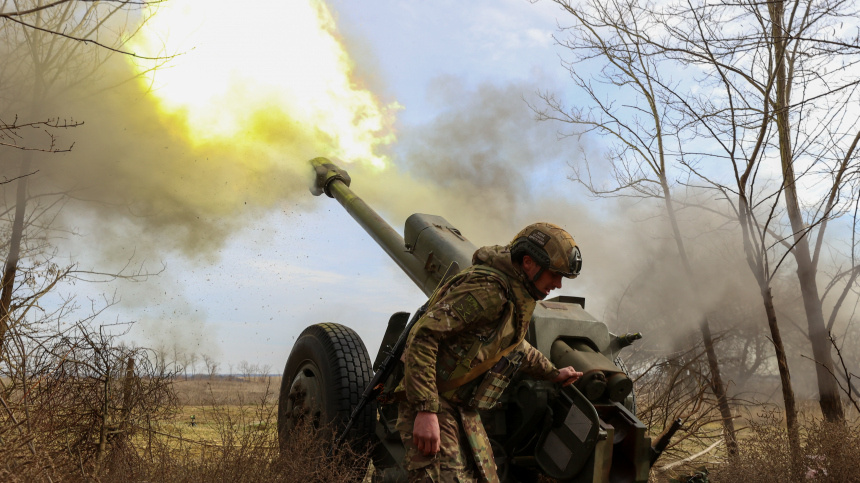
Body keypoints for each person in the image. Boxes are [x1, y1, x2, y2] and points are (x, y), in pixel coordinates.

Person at [395, 222, 585, 482]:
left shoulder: (516, 295)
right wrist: (426, 410)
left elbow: (514, 346)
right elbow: (424, 335)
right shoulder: (489, 291)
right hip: (435, 399)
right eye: (554, 274)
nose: (558, 284)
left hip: (463, 408)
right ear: (528, 262)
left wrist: (553, 373)